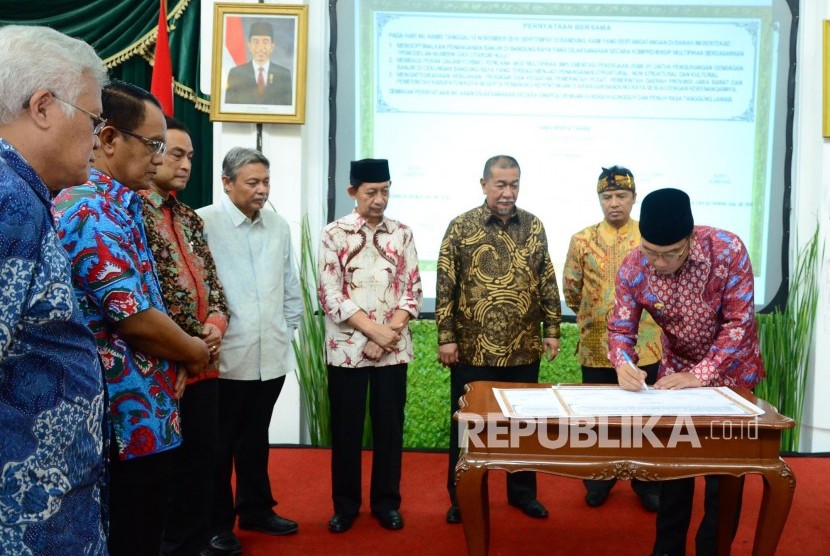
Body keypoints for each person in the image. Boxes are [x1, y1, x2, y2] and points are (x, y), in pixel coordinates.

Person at [53, 81, 211, 556]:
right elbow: (134, 319)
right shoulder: (88, 209)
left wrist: (174, 363)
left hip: (149, 413)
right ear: (108, 139)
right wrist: (195, 352)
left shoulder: (122, 205)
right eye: (153, 145)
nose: (161, 160)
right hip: (121, 423)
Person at [607, 188, 765, 556]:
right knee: (674, 471)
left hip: (733, 376)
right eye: (650, 251)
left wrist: (704, 372)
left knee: (723, 478)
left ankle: (713, 549)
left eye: (668, 254)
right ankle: (667, 548)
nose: (657, 263)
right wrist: (623, 363)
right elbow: (620, 329)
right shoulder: (634, 267)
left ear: (690, 239)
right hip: (676, 376)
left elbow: (740, 323)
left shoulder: (727, 250)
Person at [0, 25, 108, 556]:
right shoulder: (9, 202)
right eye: (93, 119)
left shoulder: (23, 195)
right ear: (43, 106)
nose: (97, 138)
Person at [436, 154, 561, 524]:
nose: (508, 192)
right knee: (466, 426)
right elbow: (446, 285)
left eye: (514, 184)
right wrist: (446, 337)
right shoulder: (461, 227)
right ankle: (462, 497)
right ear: (484, 185)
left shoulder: (534, 226)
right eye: (501, 184)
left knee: (525, 425)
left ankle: (522, 494)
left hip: (523, 346)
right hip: (473, 349)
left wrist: (552, 329)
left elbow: (547, 280)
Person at [198, 147, 302, 555]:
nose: (262, 190)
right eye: (252, 182)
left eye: (266, 182)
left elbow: (289, 285)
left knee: (256, 438)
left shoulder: (278, 226)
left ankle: (256, 509)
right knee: (221, 445)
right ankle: (217, 524)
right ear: (227, 183)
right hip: (226, 357)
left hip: (271, 355)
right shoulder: (204, 222)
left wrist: (285, 327)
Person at [138, 116, 230, 556]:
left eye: (191, 156)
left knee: (203, 463)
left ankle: (195, 544)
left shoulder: (190, 218)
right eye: (176, 153)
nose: (186, 163)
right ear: (152, 152)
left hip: (206, 368)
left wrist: (213, 330)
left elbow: (215, 291)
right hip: (163, 368)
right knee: (165, 475)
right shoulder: (131, 213)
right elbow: (141, 301)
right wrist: (185, 351)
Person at [318, 159, 423, 534]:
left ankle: (386, 503)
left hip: (392, 349)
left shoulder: (403, 233)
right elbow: (330, 294)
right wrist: (373, 333)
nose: (380, 200)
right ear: (353, 192)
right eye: (371, 192)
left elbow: (412, 292)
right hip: (346, 350)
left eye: (386, 191)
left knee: (389, 429)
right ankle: (345, 506)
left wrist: (387, 335)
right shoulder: (334, 234)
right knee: (346, 430)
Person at [563, 165, 662, 512]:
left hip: (645, 344)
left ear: (634, 198)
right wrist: (594, 313)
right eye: (607, 197)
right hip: (596, 346)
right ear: (599, 200)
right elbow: (572, 290)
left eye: (621, 196)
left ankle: (646, 481)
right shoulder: (582, 239)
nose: (614, 203)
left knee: (644, 419)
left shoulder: (650, 238)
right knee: (597, 418)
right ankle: (599, 479)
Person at [225, 21, 293, 106]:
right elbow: (229, 108)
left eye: (265, 42)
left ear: (272, 46)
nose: (260, 48)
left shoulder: (284, 75)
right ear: (249, 46)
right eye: (256, 42)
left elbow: (288, 109)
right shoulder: (236, 74)